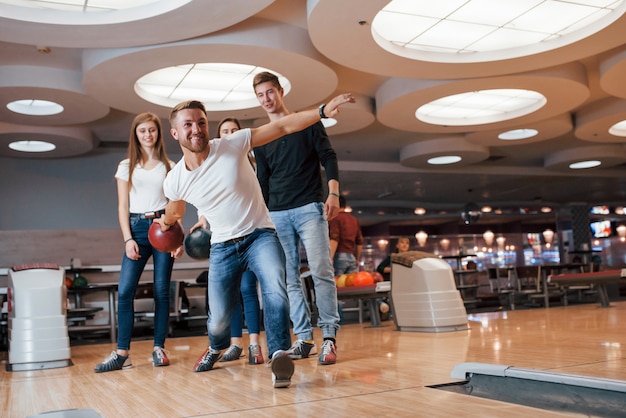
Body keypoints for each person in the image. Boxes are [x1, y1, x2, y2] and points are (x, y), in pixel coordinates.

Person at [154, 93, 355, 388]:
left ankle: (278, 355)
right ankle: (216, 346)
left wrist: (321, 110)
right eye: (187, 125)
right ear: (175, 133)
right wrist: (168, 225)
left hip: (260, 234)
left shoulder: (233, 144)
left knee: (276, 287)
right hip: (222, 245)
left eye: (200, 122)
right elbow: (176, 208)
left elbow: (284, 127)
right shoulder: (174, 179)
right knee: (219, 317)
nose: (196, 129)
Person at [252, 71, 342, 366]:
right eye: (260, 95)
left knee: (320, 270)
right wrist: (261, 216)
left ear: (280, 91)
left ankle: (328, 337)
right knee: (290, 278)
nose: (266, 99)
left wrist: (333, 193)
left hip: (309, 207)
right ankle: (304, 338)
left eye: (270, 92)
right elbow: (262, 180)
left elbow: (328, 157)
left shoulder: (307, 123)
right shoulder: (262, 138)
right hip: (277, 213)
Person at [95, 112, 182, 373]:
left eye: (152, 130)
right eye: (142, 130)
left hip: (163, 227)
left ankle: (159, 348)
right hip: (136, 228)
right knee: (125, 291)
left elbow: (175, 206)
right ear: (136, 134)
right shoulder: (126, 167)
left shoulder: (170, 165)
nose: (148, 135)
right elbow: (122, 205)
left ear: (159, 133)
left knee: (161, 290)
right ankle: (122, 353)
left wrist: (179, 238)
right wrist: (127, 239)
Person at [213, 117, 264, 365]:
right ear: (219, 137)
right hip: (226, 239)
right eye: (225, 131)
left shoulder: (255, 163)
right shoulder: (215, 165)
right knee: (231, 293)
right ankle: (235, 345)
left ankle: (254, 343)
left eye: (235, 130)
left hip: (253, 235)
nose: (231, 134)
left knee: (247, 289)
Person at [376, 236, 411, 318]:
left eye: (407, 243)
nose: (404, 245)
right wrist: (393, 269)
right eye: (402, 242)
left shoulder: (410, 257)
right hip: (394, 282)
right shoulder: (392, 257)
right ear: (397, 245)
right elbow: (380, 268)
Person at [329, 195, 363, 276]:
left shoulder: (336, 218)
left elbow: (334, 238)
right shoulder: (354, 220)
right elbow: (360, 242)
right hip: (351, 257)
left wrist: (330, 258)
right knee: (351, 285)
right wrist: (357, 259)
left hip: (339, 256)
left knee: (338, 284)